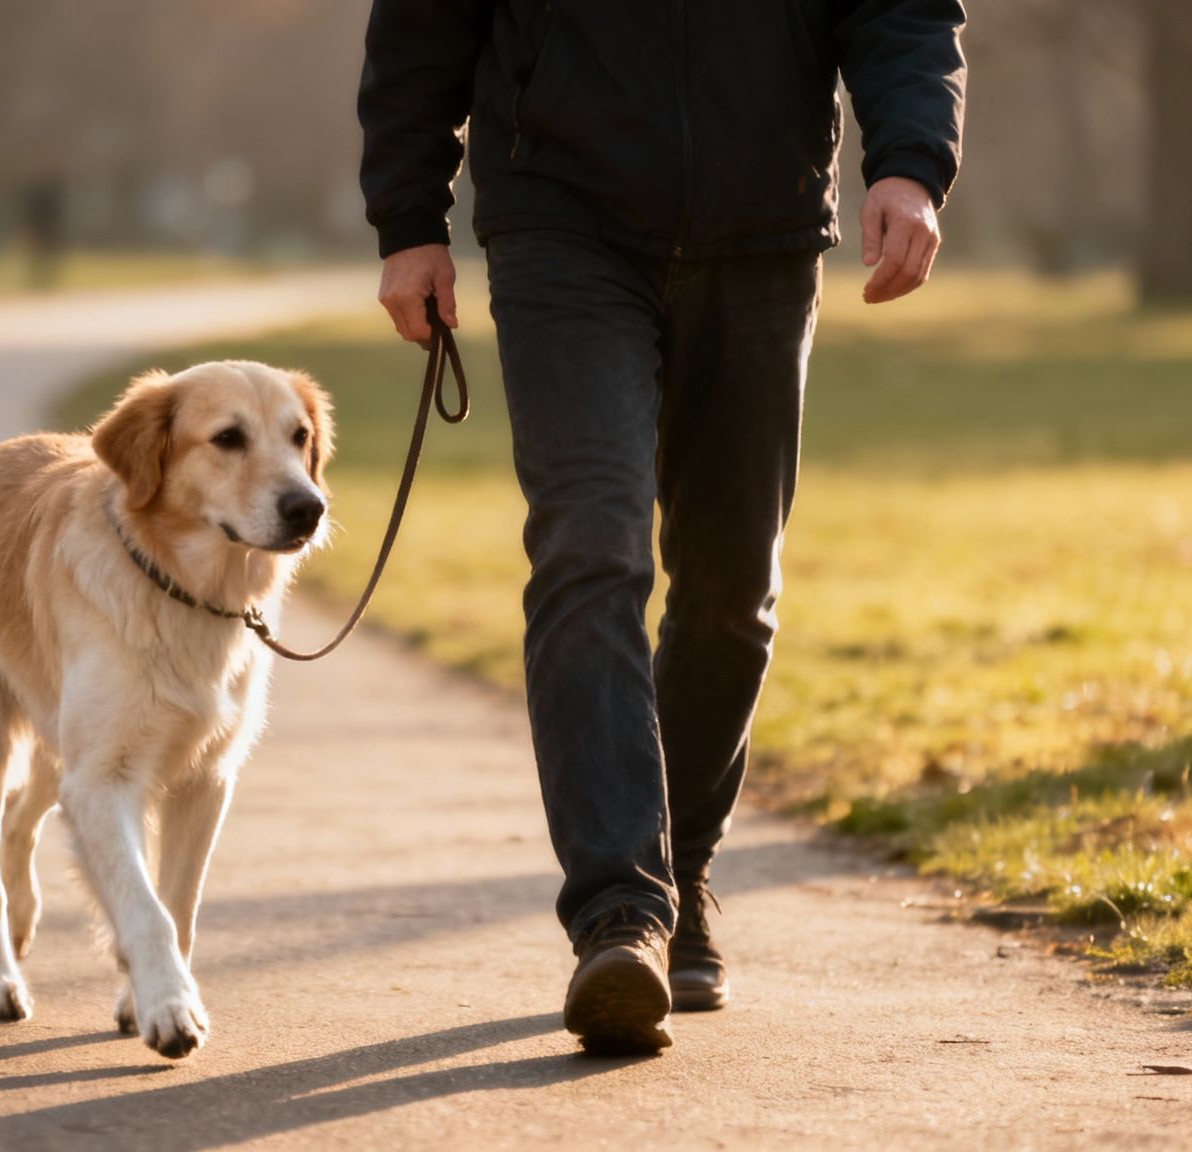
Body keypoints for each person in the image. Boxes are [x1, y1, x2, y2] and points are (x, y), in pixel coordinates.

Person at [359, 0, 966, 1054]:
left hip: (760, 227)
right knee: (588, 546)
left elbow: (896, 5)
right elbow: (422, 20)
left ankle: (677, 867)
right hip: (561, 225)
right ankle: (618, 914)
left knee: (732, 589)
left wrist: (908, 164)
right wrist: (408, 219)